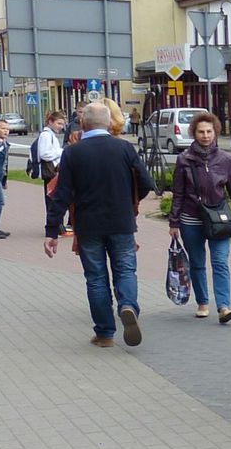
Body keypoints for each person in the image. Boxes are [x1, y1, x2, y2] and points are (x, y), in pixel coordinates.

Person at [44, 102, 155, 348]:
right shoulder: (125, 148)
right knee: (125, 270)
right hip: (122, 222)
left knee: (95, 278)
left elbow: (61, 194)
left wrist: (52, 231)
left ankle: (104, 334)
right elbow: (147, 182)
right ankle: (128, 306)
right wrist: (129, 203)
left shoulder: (73, 153)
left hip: (88, 225)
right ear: (109, 123)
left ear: (83, 123)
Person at [168, 112, 231, 324]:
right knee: (197, 262)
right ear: (194, 134)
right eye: (201, 132)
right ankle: (203, 302)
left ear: (215, 133)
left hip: (218, 218)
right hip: (191, 219)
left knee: (220, 262)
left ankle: (224, 306)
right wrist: (174, 221)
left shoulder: (226, 160)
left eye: (209, 131)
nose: (205, 136)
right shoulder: (184, 160)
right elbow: (178, 193)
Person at [36, 110, 69, 236]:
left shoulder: (50, 135)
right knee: (52, 199)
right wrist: (61, 152)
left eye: (62, 124)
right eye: (59, 123)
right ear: (50, 122)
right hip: (50, 172)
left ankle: (58, 225)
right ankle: (55, 227)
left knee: (55, 198)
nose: (61, 127)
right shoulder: (46, 135)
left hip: (54, 171)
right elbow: (44, 153)